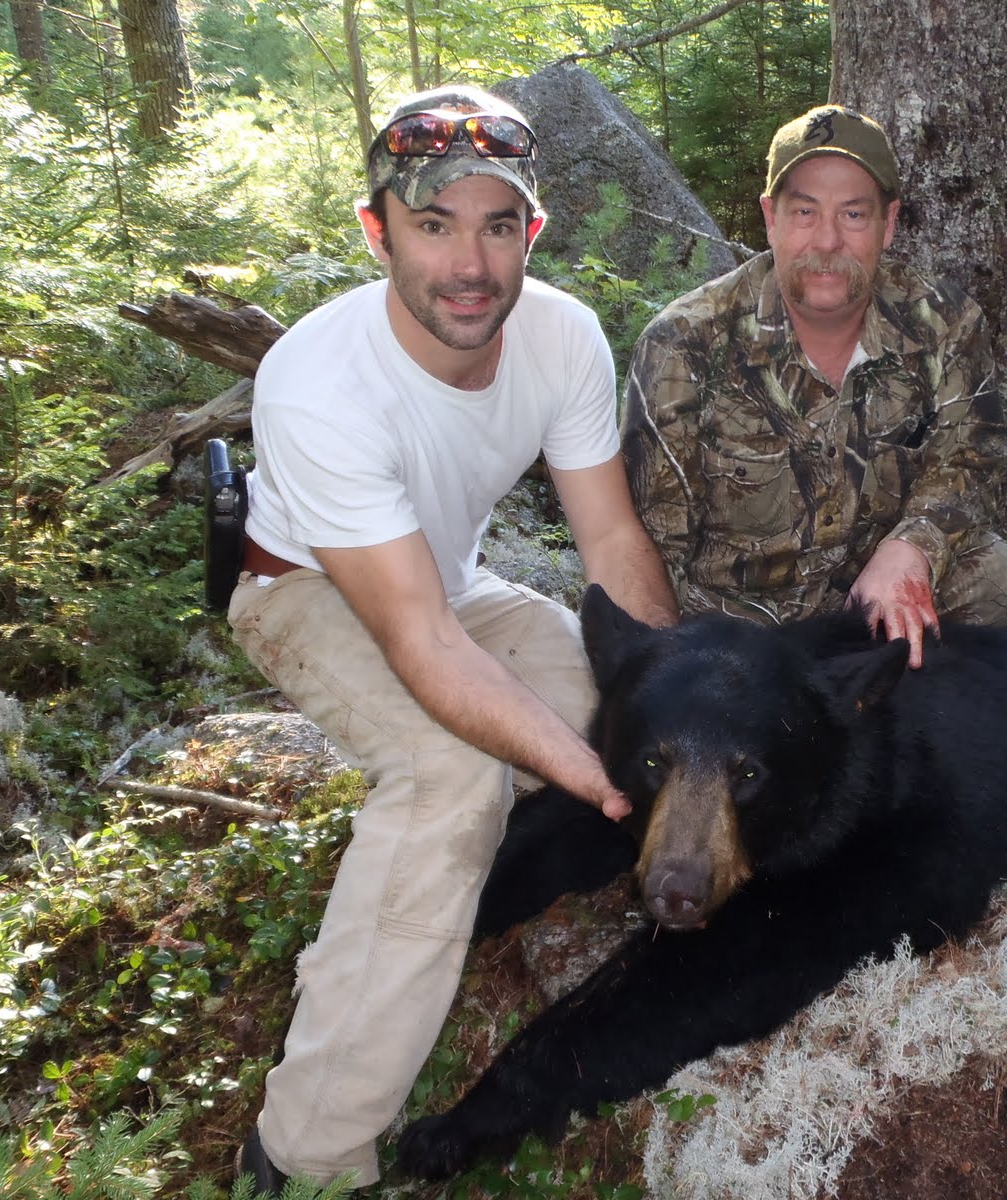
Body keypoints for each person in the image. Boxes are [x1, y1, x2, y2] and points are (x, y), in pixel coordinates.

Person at [227, 83, 678, 1193]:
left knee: (622, 720)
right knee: (452, 776)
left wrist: (669, 699)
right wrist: (590, 772)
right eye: (432, 225)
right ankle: (305, 1151)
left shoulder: (562, 335)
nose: (469, 264)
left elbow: (611, 542)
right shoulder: (318, 383)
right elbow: (423, 646)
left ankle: (458, 907)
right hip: (304, 591)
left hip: (450, 586)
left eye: (496, 225)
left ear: (532, 231)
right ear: (377, 232)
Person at [621, 103, 1007, 668]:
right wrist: (671, 670)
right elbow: (649, 544)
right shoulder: (685, 343)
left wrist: (911, 546)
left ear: (889, 223)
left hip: (866, 609)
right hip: (734, 632)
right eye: (805, 212)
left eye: (853, 215)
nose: (827, 241)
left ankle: (886, 694)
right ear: (771, 218)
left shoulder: (943, 322)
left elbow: (973, 455)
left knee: (995, 574)